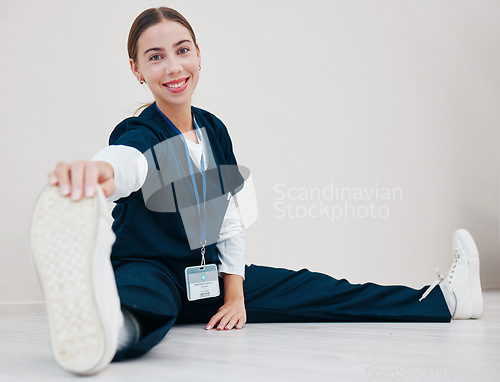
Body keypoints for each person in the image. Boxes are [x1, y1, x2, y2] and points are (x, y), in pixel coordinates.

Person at [29, 7, 484, 376]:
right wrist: (95, 173)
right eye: (155, 57)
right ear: (137, 69)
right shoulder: (140, 132)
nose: (172, 66)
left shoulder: (213, 130)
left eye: (181, 50)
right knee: (144, 300)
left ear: (199, 55)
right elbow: (125, 164)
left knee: (317, 289)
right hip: (149, 269)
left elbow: (226, 219)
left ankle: (447, 300)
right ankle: (111, 330)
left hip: (206, 277)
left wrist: (234, 296)